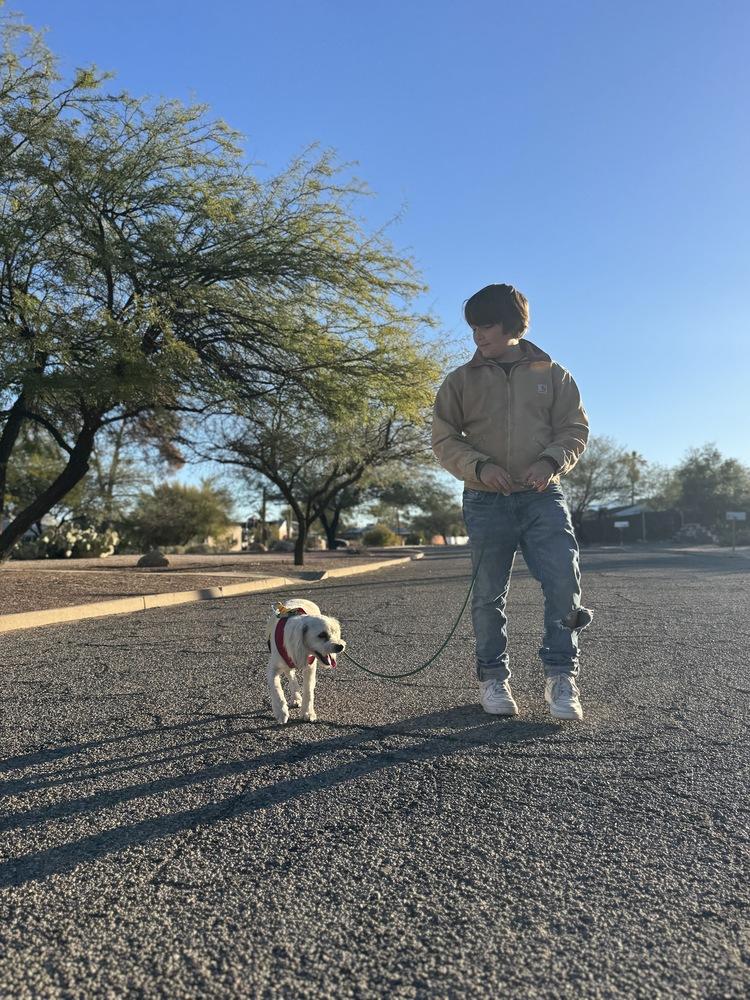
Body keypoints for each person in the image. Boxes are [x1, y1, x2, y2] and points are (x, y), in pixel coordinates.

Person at [431, 283, 592, 721]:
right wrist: (479, 467)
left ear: (513, 326)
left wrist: (550, 461)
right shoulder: (460, 381)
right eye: (474, 327)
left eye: (486, 325)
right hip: (485, 500)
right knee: (488, 595)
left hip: (543, 496)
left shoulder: (554, 375)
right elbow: (443, 438)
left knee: (563, 580)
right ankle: (493, 678)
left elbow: (574, 429)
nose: (478, 335)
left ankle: (561, 676)